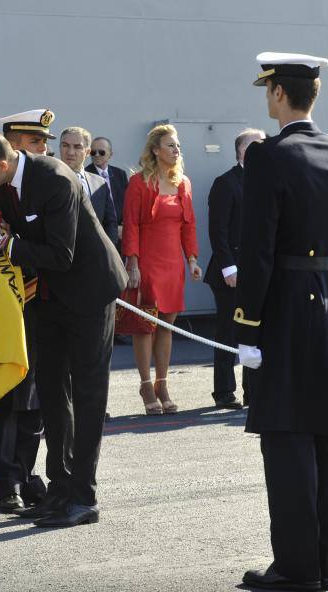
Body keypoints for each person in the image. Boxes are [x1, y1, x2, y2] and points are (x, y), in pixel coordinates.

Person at [235, 53, 328, 591]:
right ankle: (323, 560)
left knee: (287, 438)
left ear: (276, 94)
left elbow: (258, 250)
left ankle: (297, 568)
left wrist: (247, 327)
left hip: (287, 305)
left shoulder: (271, 157)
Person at [0, 132, 127, 528]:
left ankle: (83, 496)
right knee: (53, 394)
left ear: (2, 165)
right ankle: (59, 490)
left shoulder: (53, 178)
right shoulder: (4, 185)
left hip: (89, 293)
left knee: (88, 395)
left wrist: (3, 242)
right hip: (51, 296)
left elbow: (62, 253)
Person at [0, 108, 57, 512]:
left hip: (42, 301)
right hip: (7, 304)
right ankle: (4, 478)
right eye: (33, 141)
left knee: (35, 398)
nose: (41, 148)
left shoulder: (42, 184)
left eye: (43, 141)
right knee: (8, 396)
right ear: (11, 143)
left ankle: (28, 472)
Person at [122, 124, 201, 415]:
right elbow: (130, 223)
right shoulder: (139, 182)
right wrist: (132, 262)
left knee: (167, 325)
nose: (176, 150)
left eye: (177, 145)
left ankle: (162, 383)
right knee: (146, 326)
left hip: (173, 263)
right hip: (147, 262)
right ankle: (145, 384)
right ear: (156, 150)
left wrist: (192, 259)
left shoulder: (184, 183)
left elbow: (188, 224)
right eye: (170, 145)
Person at [204, 128, 264, 409]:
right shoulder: (226, 183)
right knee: (228, 332)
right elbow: (218, 230)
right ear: (240, 150)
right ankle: (224, 392)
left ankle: (254, 391)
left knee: (256, 333)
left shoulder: (267, 180)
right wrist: (229, 267)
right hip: (230, 271)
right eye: (254, 145)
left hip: (258, 270)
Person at [60, 126, 118, 244]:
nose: (70, 152)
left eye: (77, 147)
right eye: (65, 145)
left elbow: (110, 223)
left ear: (87, 152)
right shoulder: (47, 180)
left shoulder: (100, 183)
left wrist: (107, 252)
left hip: (94, 256)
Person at [86, 136, 129, 236]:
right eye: (93, 152)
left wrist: (124, 225)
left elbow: (127, 202)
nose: (96, 155)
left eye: (101, 152)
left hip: (121, 231)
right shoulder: (86, 174)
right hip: (99, 232)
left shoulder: (120, 174)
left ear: (110, 154)